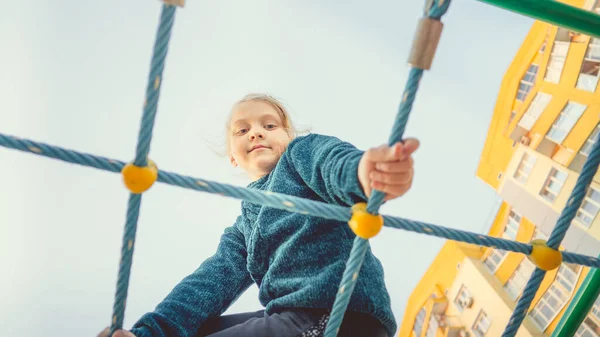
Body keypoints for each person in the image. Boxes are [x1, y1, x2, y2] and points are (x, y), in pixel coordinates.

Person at [98, 93, 419, 337]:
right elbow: (209, 283)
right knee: (196, 329)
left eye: (269, 125)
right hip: (292, 318)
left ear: (287, 136)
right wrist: (152, 332)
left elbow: (331, 162)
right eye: (242, 130)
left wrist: (365, 173)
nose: (256, 133)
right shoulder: (246, 226)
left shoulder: (299, 157)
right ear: (233, 159)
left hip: (338, 314)